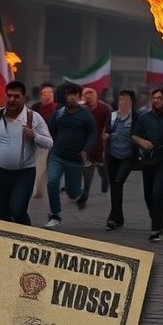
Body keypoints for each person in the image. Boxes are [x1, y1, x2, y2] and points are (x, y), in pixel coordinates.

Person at [0, 81, 53, 225]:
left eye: (16, 96)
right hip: (0, 173)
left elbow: (49, 143)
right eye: (9, 96)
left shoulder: (33, 117)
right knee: (2, 216)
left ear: (24, 98)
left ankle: (27, 234)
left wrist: (34, 135)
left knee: (17, 210)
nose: (11, 100)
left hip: (24, 174)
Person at [44, 84, 96, 228]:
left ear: (79, 97)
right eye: (69, 94)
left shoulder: (85, 114)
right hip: (57, 156)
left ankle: (81, 195)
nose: (72, 97)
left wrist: (85, 149)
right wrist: (56, 143)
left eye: (75, 95)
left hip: (75, 160)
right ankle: (55, 215)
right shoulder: (59, 113)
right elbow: (51, 130)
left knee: (73, 193)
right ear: (65, 96)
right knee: (52, 182)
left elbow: (92, 132)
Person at [132, 87, 163, 242]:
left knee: (158, 192)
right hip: (148, 160)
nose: (156, 100)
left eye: (159, 98)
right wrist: (142, 142)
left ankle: (155, 230)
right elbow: (134, 135)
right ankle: (158, 219)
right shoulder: (144, 117)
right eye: (154, 98)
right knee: (148, 195)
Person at [104, 89, 138, 231]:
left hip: (128, 156)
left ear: (131, 102)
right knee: (114, 186)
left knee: (118, 182)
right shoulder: (112, 116)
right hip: (112, 155)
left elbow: (139, 134)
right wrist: (107, 136)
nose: (122, 102)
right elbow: (107, 132)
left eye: (125, 99)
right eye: (121, 99)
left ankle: (112, 217)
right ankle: (119, 217)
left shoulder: (136, 117)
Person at [81, 87, 112, 197]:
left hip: (100, 144)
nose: (88, 96)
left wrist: (107, 134)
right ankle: (85, 192)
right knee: (87, 168)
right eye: (86, 94)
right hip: (85, 143)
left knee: (102, 168)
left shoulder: (105, 109)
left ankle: (105, 182)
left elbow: (111, 125)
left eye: (91, 93)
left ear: (96, 95)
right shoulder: (80, 109)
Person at [29, 82, 57, 200]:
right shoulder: (36, 107)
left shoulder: (58, 108)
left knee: (52, 167)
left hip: (55, 140)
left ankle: (50, 187)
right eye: (44, 92)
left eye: (49, 92)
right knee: (40, 165)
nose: (46, 94)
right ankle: (38, 190)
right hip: (40, 139)